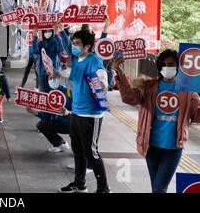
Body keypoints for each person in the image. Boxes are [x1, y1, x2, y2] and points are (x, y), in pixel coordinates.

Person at [113, 49, 200, 193]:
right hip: (151, 146)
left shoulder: (188, 91)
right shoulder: (148, 87)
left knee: (159, 188)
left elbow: (197, 116)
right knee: (156, 187)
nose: (168, 68)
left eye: (171, 64)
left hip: (172, 148)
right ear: (159, 68)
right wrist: (120, 73)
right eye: (164, 65)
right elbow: (129, 97)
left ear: (178, 66)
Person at [52, 29, 110, 193]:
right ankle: (80, 183)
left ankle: (104, 188)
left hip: (91, 114)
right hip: (76, 112)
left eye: (77, 44)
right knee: (78, 150)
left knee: (91, 153)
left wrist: (103, 84)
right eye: (73, 43)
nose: (73, 46)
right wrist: (58, 77)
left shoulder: (94, 60)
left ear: (87, 46)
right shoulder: (77, 61)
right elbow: (72, 84)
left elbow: (102, 77)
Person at [32, 28, 64, 93]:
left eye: (50, 31)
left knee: (55, 93)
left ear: (52, 31)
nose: (47, 32)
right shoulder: (40, 42)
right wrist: (35, 37)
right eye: (45, 31)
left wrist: (56, 35)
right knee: (43, 93)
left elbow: (61, 49)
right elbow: (35, 52)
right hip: (42, 72)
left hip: (55, 72)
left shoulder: (56, 40)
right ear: (43, 32)